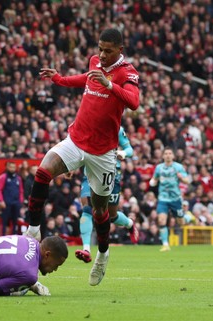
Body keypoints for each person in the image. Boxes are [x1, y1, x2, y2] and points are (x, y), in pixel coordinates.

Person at [26, 28, 139, 286]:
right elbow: (86, 79)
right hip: (77, 140)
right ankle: (33, 230)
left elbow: (134, 102)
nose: (102, 54)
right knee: (43, 171)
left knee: (100, 210)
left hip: (103, 153)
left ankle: (103, 254)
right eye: (100, 48)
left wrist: (110, 85)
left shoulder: (127, 72)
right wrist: (60, 79)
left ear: (120, 50)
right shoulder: (95, 62)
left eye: (108, 50)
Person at [76, 126, 139, 263]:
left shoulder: (116, 128)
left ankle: (129, 223)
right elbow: (77, 147)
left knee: (111, 215)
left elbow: (130, 149)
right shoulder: (89, 124)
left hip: (111, 174)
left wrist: (123, 153)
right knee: (87, 207)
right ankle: (86, 249)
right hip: (90, 171)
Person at [149, 147, 190, 252]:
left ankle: (188, 218)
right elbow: (155, 178)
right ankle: (165, 244)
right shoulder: (159, 168)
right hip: (163, 198)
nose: (167, 155)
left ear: (173, 156)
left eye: (170, 153)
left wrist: (181, 178)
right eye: (166, 153)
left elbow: (187, 181)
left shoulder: (178, 167)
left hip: (175, 198)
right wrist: (153, 181)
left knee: (181, 222)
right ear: (163, 156)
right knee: (161, 220)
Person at [0, 161, 24, 235]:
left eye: (14, 167)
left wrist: (20, 201)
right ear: (7, 167)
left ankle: (14, 237)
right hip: (6, 203)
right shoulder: (3, 177)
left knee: (15, 222)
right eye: (11, 167)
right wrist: (1, 200)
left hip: (16, 203)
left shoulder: (18, 178)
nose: (12, 169)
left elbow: (21, 190)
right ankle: (2, 236)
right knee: (4, 222)